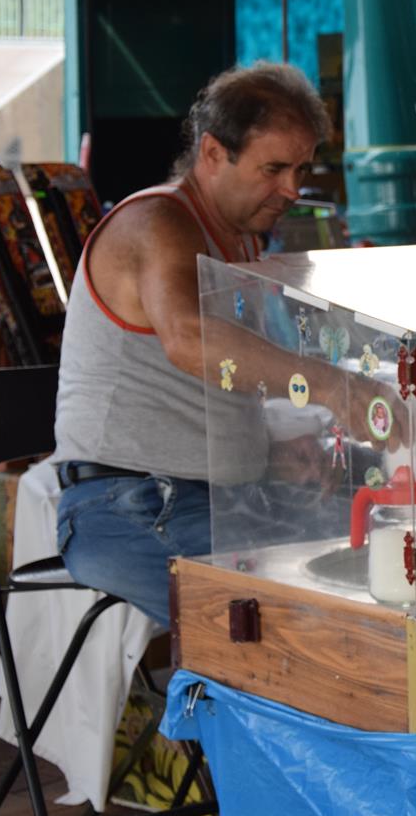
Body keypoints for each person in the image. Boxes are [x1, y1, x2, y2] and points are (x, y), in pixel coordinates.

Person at [52, 61, 370, 626]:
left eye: (300, 168)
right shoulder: (155, 222)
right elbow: (188, 338)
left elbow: (214, 382)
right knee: (295, 624)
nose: (292, 189)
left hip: (216, 499)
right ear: (212, 153)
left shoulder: (241, 240)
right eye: (273, 168)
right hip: (126, 507)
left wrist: (271, 451)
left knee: (370, 561)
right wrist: (329, 385)